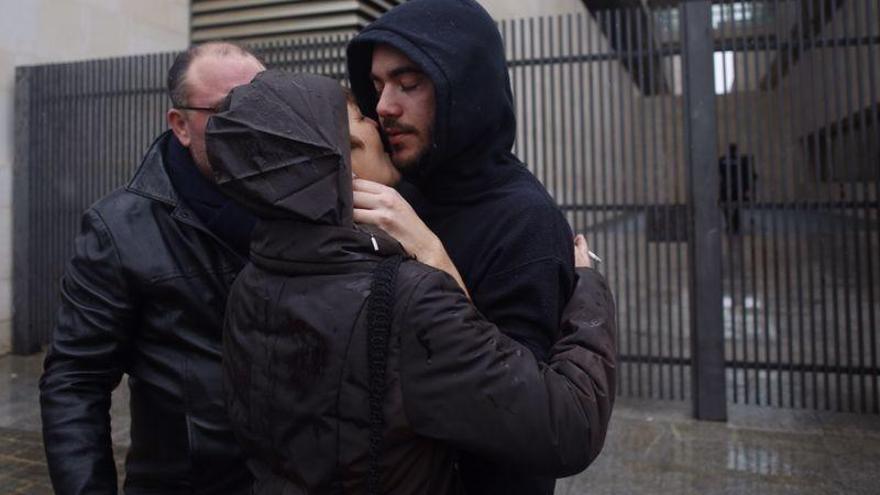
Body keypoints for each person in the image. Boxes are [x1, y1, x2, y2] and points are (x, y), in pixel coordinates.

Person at [207, 69, 616, 495]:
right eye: (359, 117)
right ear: (341, 162)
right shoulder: (405, 298)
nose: (378, 116)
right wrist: (588, 288)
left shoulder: (252, 278)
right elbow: (569, 425)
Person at [346, 1, 587, 492]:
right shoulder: (401, 188)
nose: (385, 106)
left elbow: (523, 430)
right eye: (377, 86)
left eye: (409, 83)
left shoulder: (526, 224)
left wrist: (435, 260)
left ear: (465, 86)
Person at [39, 42, 264, 494]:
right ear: (180, 125)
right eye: (224, 112)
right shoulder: (119, 229)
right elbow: (76, 381)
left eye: (260, 107)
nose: (249, 127)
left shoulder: (307, 204)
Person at [718, 143, 757, 235]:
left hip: (725, 186)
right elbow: (748, 174)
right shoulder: (741, 161)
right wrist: (748, 186)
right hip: (737, 187)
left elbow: (719, 172)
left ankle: (730, 223)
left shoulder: (722, 160)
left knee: (725, 206)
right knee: (737, 205)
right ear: (735, 150)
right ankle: (734, 224)